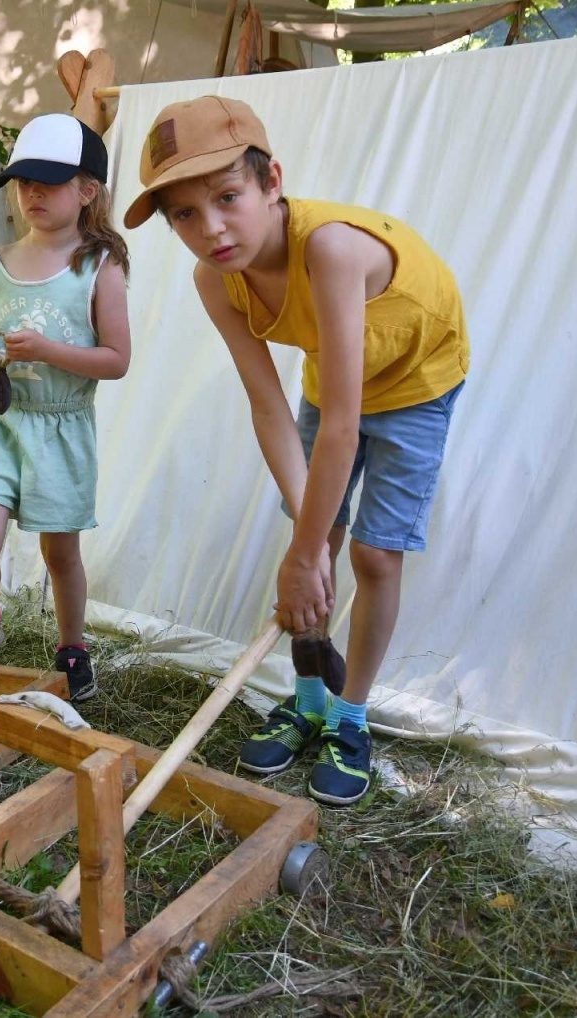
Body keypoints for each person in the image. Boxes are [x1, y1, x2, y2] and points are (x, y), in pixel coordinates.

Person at [126, 96, 468, 805]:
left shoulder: (333, 250)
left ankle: (350, 717)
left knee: (370, 553)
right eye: (185, 215)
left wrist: (307, 555)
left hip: (415, 378)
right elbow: (267, 404)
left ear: (271, 181)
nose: (211, 229)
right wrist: (308, 539)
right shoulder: (214, 279)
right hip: (335, 372)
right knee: (315, 523)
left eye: (227, 198)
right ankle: (310, 695)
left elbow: (344, 426)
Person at [0, 113, 131, 703]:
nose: (33, 193)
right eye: (24, 182)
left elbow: (117, 359)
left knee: (59, 550)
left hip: (61, 427)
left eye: (49, 181)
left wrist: (50, 350)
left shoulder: (99, 266)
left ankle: (72, 644)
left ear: (87, 190)